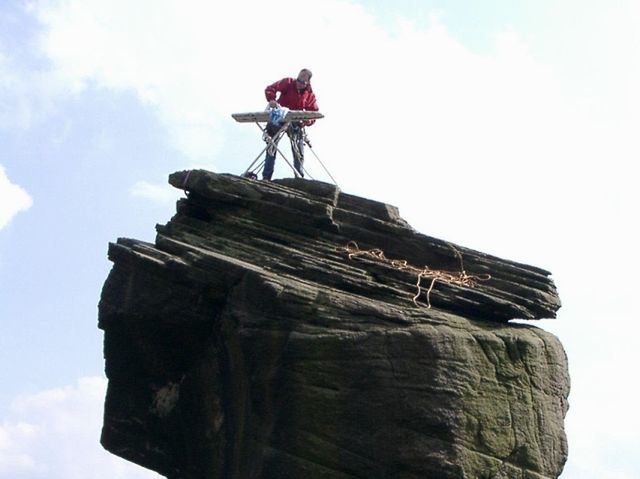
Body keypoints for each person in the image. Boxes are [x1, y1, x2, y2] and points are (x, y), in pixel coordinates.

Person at [262, 68, 319, 180]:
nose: (299, 83)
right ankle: (266, 177)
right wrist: (272, 100)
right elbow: (270, 88)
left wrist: (308, 121)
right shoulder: (288, 82)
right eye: (298, 80)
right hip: (279, 117)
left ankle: (299, 177)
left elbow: (314, 113)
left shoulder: (309, 95)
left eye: (302, 82)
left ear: (307, 83)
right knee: (271, 144)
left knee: (298, 148)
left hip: (296, 122)